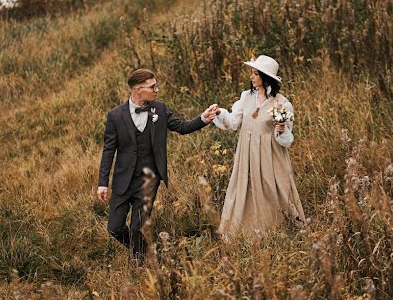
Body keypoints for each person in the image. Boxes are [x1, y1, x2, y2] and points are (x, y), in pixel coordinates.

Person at [97, 68, 219, 262]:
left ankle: (139, 263)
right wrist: (102, 183)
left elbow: (182, 127)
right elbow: (108, 150)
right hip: (123, 180)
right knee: (114, 227)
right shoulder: (115, 116)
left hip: (149, 180)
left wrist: (203, 118)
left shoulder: (159, 109)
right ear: (138, 90)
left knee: (137, 226)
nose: (157, 90)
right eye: (152, 87)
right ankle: (142, 250)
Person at [213, 55, 305, 236]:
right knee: (245, 188)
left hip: (270, 154)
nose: (251, 77)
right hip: (247, 153)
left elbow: (287, 138)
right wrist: (220, 113)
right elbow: (232, 122)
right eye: (252, 73)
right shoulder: (246, 97)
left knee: (274, 187)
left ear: (265, 77)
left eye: (255, 74)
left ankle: (278, 228)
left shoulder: (282, 103)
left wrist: (281, 130)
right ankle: (243, 230)